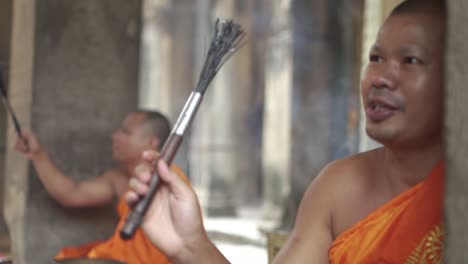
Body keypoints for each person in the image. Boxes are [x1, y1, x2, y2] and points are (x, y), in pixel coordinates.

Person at [126, 0, 446, 263]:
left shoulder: (455, 193)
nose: (381, 77)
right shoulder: (337, 187)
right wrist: (190, 244)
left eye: (411, 60)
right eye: (375, 58)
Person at [15, 110, 187, 264]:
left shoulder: (169, 181)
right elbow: (72, 194)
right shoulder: (118, 178)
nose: (115, 136)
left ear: (152, 142)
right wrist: (38, 155)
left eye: (125, 132)